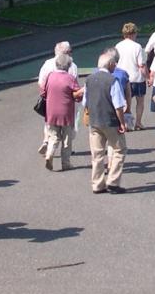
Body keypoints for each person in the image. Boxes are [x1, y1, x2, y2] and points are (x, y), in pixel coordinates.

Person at [83, 49, 127, 194]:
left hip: (94, 121)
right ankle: (113, 182)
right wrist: (122, 123)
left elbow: (85, 102)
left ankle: (97, 184)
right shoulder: (112, 80)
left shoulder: (89, 80)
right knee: (119, 150)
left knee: (97, 154)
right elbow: (118, 105)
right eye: (114, 64)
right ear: (110, 64)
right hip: (110, 121)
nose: (115, 66)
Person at [40, 51, 82, 171]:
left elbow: (43, 92)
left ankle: (49, 154)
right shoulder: (70, 78)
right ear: (68, 66)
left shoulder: (50, 76)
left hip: (51, 112)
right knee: (67, 139)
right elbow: (77, 96)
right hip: (66, 113)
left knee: (53, 136)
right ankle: (65, 163)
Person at [37, 41, 77, 155]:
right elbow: (74, 85)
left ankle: (47, 142)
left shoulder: (47, 63)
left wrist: (46, 94)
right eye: (70, 51)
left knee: (50, 123)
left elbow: (41, 82)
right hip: (66, 102)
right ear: (66, 52)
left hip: (50, 100)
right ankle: (66, 151)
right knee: (67, 128)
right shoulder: (72, 65)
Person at [113, 22, 146, 129]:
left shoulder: (118, 46)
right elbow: (141, 65)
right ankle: (138, 122)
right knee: (140, 101)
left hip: (122, 77)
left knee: (125, 101)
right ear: (133, 33)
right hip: (137, 77)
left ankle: (125, 123)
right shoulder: (137, 47)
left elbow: (115, 62)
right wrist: (148, 77)